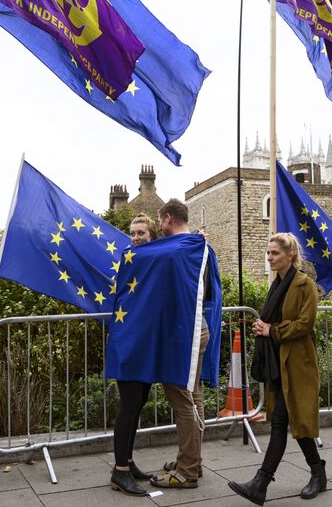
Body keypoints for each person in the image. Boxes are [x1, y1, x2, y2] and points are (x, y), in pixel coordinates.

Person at [228, 233, 326, 506]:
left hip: (298, 364)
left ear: (290, 255)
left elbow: (305, 323)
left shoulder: (304, 285)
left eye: (275, 253)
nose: (270, 257)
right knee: (290, 422)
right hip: (278, 363)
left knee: (291, 421)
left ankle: (261, 482)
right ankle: (317, 473)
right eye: (268, 253)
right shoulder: (277, 285)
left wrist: (273, 329)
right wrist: (263, 327)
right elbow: (272, 320)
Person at [150, 198, 211, 489]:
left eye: (160, 220)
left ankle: (187, 471)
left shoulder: (178, 249)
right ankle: (192, 461)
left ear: (170, 218)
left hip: (184, 332)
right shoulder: (200, 246)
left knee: (181, 398)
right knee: (193, 394)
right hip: (198, 328)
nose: (159, 226)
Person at [110, 213, 158, 497]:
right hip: (127, 342)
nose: (136, 237)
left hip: (144, 344)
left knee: (139, 402)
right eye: (133, 232)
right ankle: (120, 471)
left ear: (152, 236)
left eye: (142, 233)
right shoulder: (129, 258)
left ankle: (127, 462)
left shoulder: (151, 259)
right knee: (129, 404)